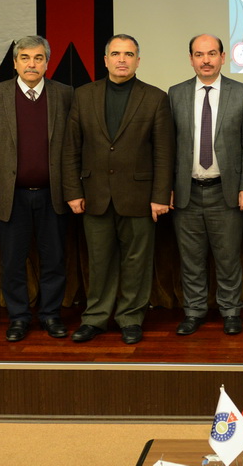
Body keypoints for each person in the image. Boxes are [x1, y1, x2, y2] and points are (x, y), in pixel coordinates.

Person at [63, 34, 173, 344]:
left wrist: (160, 196)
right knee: (99, 262)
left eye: (128, 54)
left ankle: (130, 318)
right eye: (115, 54)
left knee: (137, 262)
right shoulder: (84, 95)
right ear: (105, 60)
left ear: (138, 60)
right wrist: (73, 191)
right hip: (94, 195)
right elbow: (71, 148)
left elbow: (164, 152)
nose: (122, 59)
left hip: (139, 196)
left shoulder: (155, 97)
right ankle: (95, 318)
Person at [0, 35, 73, 342]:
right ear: (15, 63)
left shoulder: (65, 94)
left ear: (47, 63)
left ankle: (50, 315)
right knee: (12, 262)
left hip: (52, 195)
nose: (32, 64)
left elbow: (75, 146)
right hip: (10, 196)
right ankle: (18, 317)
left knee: (54, 260)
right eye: (25, 58)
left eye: (38, 58)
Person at [169, 34, 243, 336]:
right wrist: (166, 187)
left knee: (228, 258)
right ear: (191, 59)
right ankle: (194, 312)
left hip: (225, 190)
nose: (205, 60)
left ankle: (231, 311)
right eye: (199, 54)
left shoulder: (241, 92)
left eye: (211, 54)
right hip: (187, 191)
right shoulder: (176, 94)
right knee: (191, 259)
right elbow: (168, 145)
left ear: (222, 57)